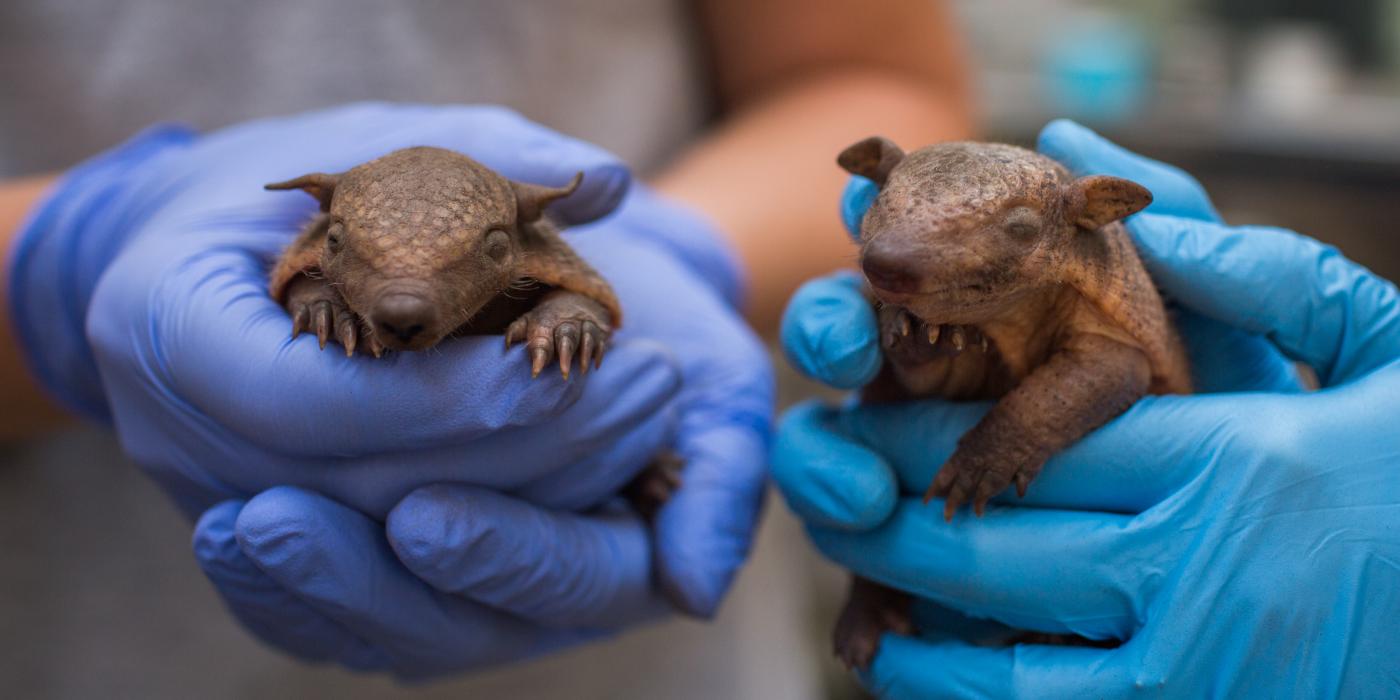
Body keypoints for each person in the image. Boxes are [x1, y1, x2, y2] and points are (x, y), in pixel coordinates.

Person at [0, 0, 971, 688]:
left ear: (525, 236)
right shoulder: (309, 259)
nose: (410, 308)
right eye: (347, 263)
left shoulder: (540, 264)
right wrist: (55, 278)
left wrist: (695, 250)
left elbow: (869, 78)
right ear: (317, 229)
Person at [776, 120, 1400, 697]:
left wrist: (1006, 441)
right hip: (939, 490)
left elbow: (1115, 365)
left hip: (1137, 505)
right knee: (890, 493)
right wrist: (911, 345)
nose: (894, 255)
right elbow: (908, 373)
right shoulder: (918, 276)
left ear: (1090, 213)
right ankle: (880, 594)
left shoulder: (1075, 285)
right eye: (889, 207)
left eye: (1017, 227)